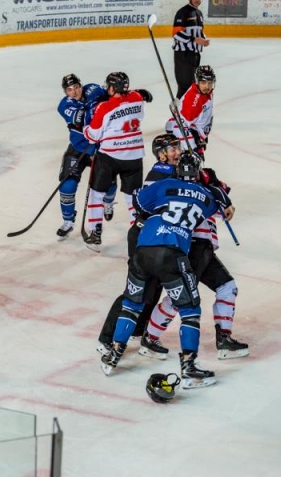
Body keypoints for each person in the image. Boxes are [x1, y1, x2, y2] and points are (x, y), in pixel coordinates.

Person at [100, 153, 233, 388]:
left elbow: (139, 203)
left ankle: (113, 355)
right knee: (190, 309)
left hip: (143, 249)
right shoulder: (205, 195)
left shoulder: (164, 184)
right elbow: (224, 205)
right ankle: (190, 369)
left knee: (132, 304)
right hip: (172, 253)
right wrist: (211, 183)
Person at [97, 133, 183, 356]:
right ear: (161, 155)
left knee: (155, 284)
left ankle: (137, 328)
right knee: (136, 288)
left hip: (156, 236)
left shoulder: (172, 170)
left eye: (178, 147)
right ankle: (107, 337)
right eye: (172, 149)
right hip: (142, 236)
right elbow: (178, 182)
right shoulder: (162, 172)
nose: (178, 152)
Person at [82, 72, 152, 251]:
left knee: (96, 194)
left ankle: (95, 234)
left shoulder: (104, 107)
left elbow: (94, 135)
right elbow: (135, 97)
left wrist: (86, 129)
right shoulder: (137, 97)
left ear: (112, 88)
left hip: (109, 157)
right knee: (132, 197)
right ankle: (139, 237)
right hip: (135, 156)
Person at [55, 74, 117, 240]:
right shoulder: (65, 105)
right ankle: (68, 221)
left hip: (101, 146)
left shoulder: (94, 89)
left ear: (80, 85)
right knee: (67, 186)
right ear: (65, 92)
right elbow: (84, 118)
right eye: (69, 89)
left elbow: (113, 95)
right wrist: (97, 105)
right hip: (79, 147)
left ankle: (108, 203)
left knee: (109, 181)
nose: (74, 92)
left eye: (76, 87)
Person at [167, 65, 215, 156]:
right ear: (197, 82)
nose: (207, 86)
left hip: (195, 133)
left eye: (210, 82)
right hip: (185, 137)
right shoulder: (194, 103)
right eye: (203, 83)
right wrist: (193, 147)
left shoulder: (206, 92)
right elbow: (179, 126)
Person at [172, 0, 210, 100]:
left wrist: (204, 39)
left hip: (195, 55)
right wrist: (194, 39)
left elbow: (199, 32)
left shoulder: (199, 13)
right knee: (184, 87)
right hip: (183, 55)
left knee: (192, 86)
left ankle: (187, 113)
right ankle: (178, 114)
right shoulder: (183, 12)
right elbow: (176, 33)